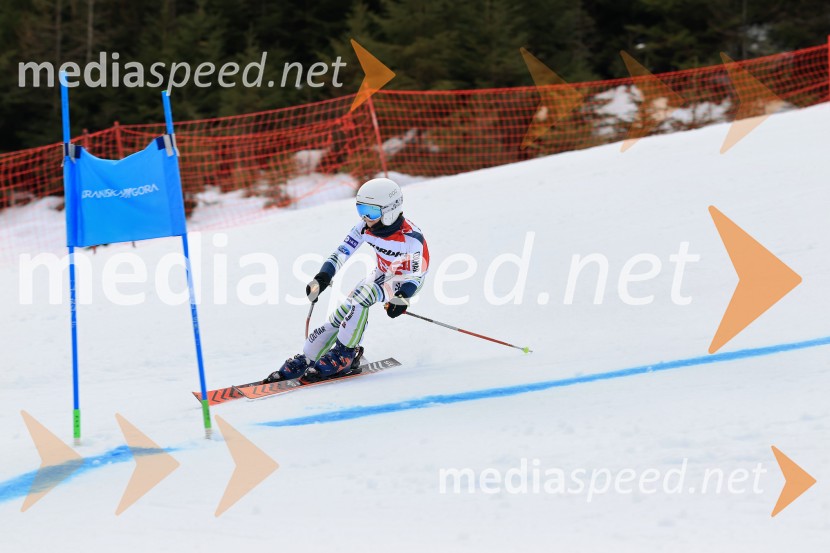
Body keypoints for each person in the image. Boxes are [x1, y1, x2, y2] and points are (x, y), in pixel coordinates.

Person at [265, 177, 429, 384]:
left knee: (362, 297)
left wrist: (402, 297)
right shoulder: (364, 228)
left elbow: (415, 275)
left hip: (404, 280)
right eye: (361, 210)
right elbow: (341, 252)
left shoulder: (411, 238)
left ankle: (345, 354)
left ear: (390, 210)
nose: (366, 218)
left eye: (372, 212)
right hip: (382, 272)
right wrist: (323, 277)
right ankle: (309, 358)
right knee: (345, 310)